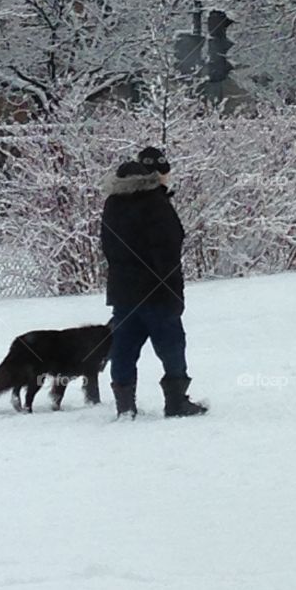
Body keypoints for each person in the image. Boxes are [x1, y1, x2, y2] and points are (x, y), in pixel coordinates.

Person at [100, 145, 207, 419]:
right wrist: (171, 287)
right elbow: (169, 247)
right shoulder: (156, 204)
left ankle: (124, 405)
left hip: (123, 290)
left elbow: (108, 246)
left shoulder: (112, 204)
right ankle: (176, 401)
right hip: (157, 291)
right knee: (171, 344)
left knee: (124, 345)